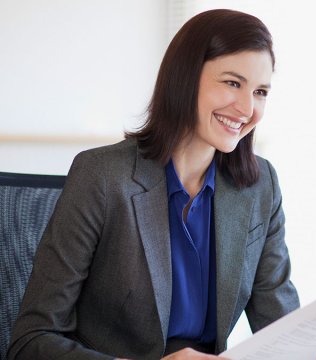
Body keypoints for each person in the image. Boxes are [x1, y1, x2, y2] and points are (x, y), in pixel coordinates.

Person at [8, 9, 300, 360]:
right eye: (232, 83)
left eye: (261, 91)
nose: (246, 107)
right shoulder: (101, 176)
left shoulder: (259, 185)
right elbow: (31, 341)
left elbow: (285, 333)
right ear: (186, 78)